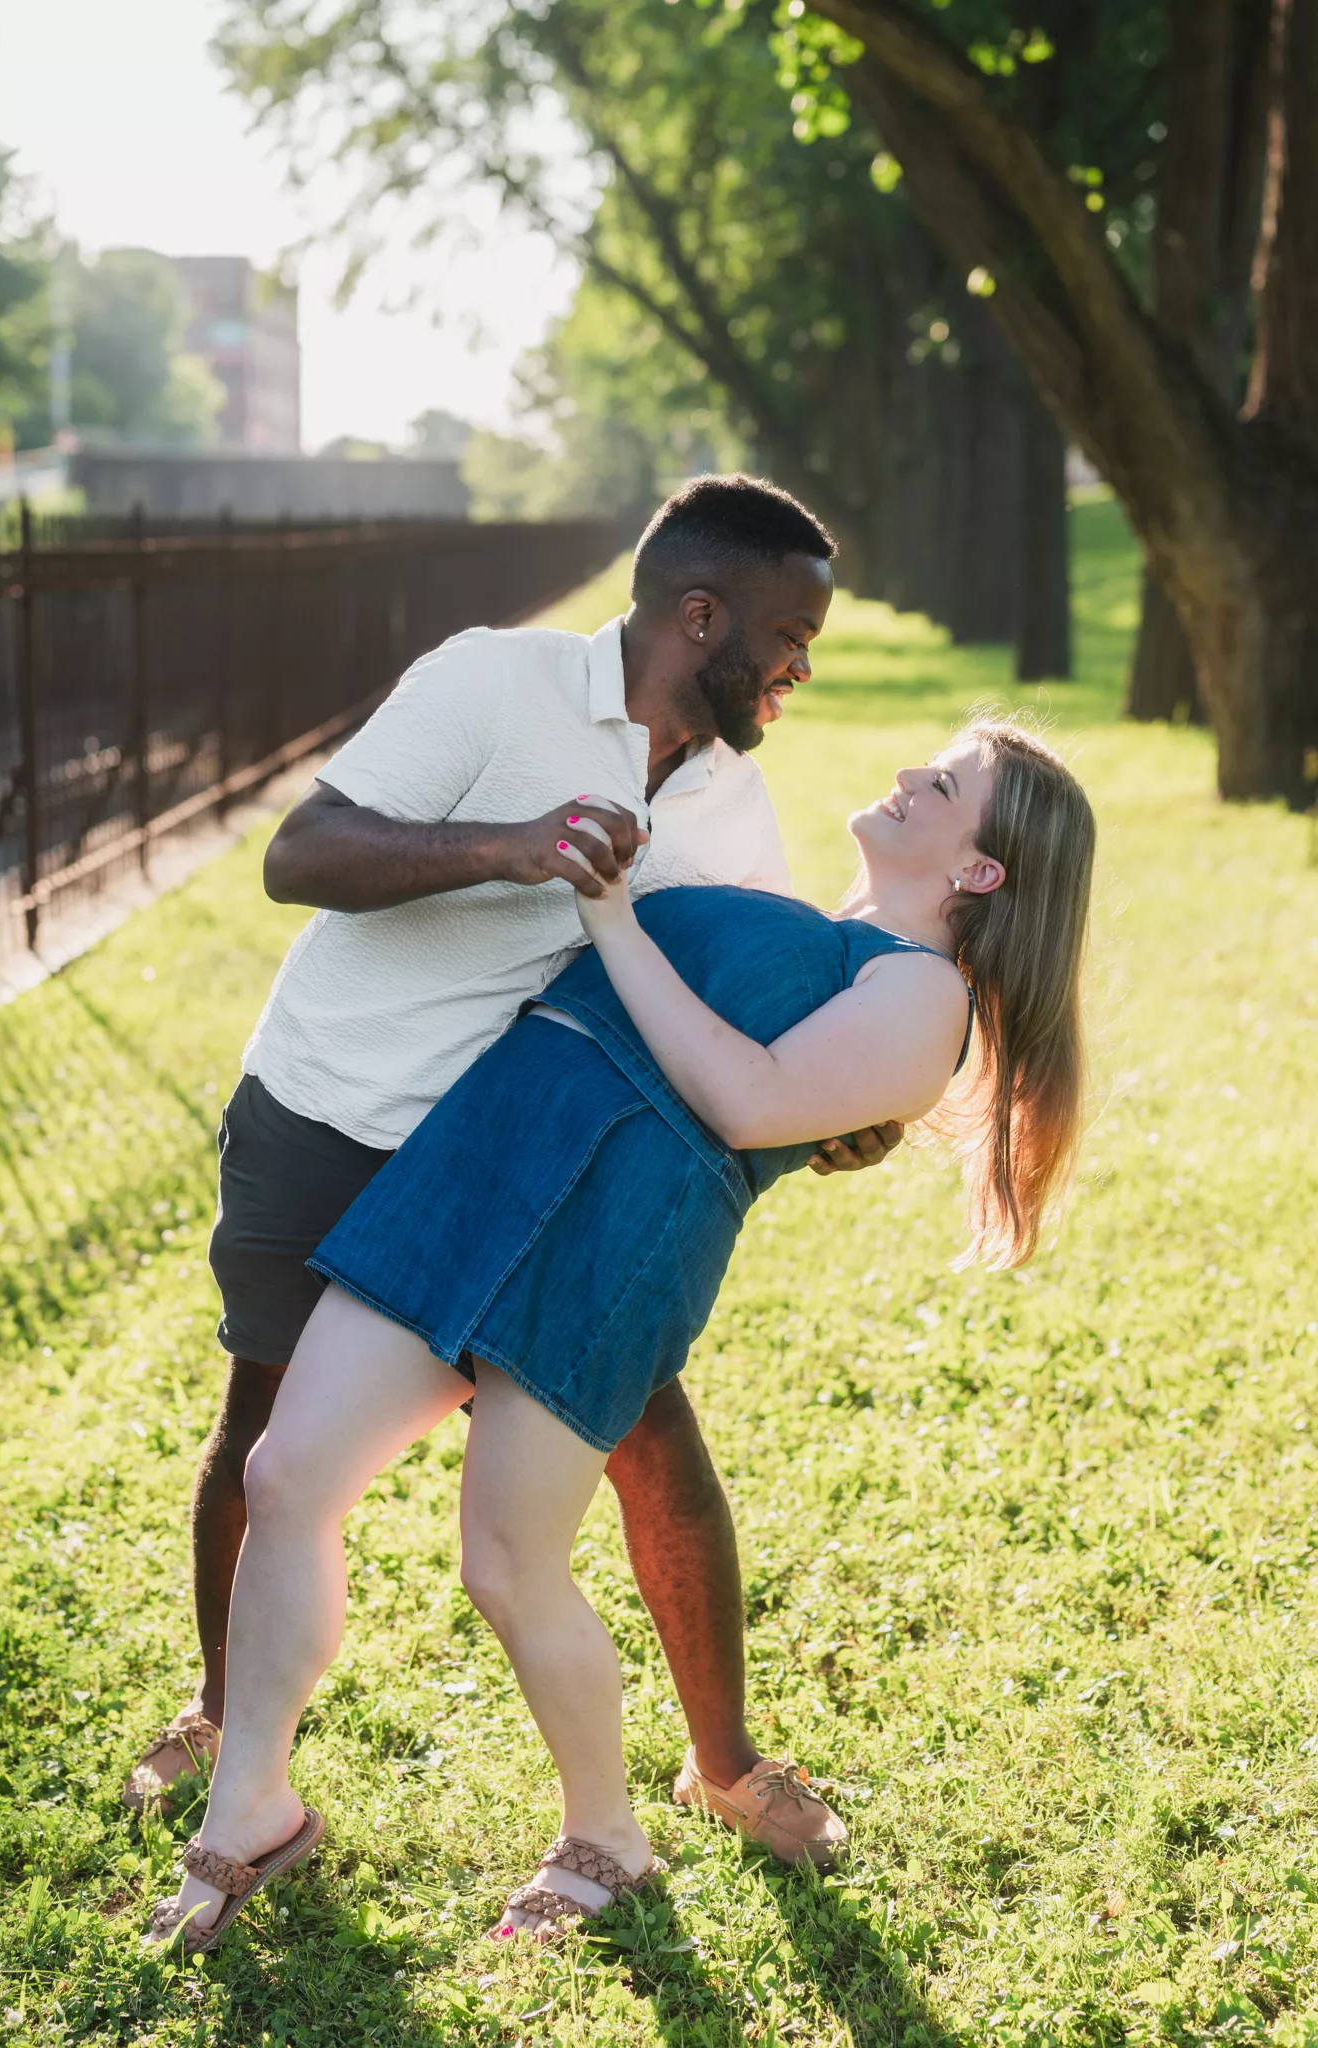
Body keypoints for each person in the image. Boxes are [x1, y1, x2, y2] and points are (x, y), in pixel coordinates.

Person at [145, 716, 1096, 1952]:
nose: (912, 775)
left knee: (507, 1563)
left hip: (612, 1240)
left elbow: (750, 1097)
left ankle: (608, 1835)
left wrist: (615, 920)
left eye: (948, 782)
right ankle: (253, 1799)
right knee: (288, 1470)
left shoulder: (926, 993)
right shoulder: (825, 931)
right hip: (482, 1160)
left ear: (982, 871)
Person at [125, 475, 898, 1869]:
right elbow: (300, 855)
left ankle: (724, 1764)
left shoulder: (734, 809)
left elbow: (733, 1014)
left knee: (652, 1434)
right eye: (788, 635)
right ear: (698, 613)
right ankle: (222, 1717)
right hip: (333, 1107)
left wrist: (835, 1114)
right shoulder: (495, 683)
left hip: (520, 1173)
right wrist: (514, 848)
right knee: (267, 1432)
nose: (799, 668)